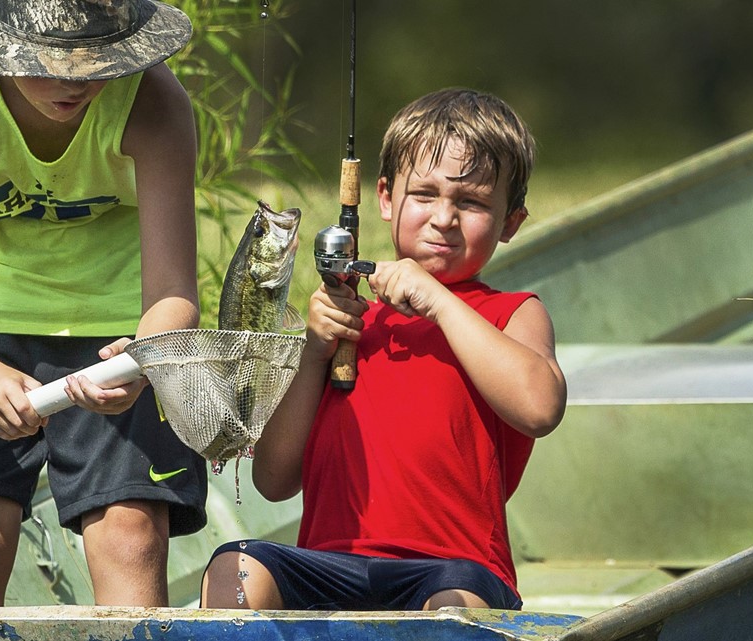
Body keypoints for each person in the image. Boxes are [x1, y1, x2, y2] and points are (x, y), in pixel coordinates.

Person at [0, 0, 207, 608]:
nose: (75, 82)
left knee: (130, 533)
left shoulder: (154, 101)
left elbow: (174, 292)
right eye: (50, 62)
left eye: (97, 62)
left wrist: (143, 359)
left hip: (119, 321)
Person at [201, 88, 567, 611]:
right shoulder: (347, 323)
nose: (444, 217)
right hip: (330, 567)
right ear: (386, 198)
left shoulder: (510, 314)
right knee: (234, 568)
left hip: (452, 570)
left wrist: (438, 302)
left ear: (510, 222)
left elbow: (539, 407)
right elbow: (274, 479)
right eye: (424, 194)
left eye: (471, 202)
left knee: (455, 606)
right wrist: (314, 351)